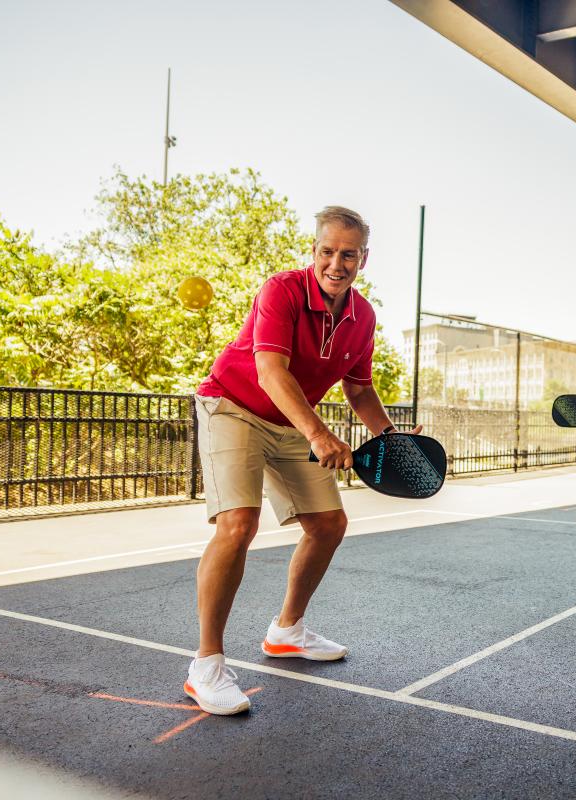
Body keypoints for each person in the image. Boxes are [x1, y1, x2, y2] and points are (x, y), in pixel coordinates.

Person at [185, 206, 420, 715]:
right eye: (328, 251)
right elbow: (270, 371)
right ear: (314, 251)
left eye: (348, 254)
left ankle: (286, 631)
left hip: (292, 421)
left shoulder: (363, 318)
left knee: (329, 524)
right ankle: (206, 665)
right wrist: (317, 432)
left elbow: (359, 389)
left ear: (363, 259)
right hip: (233, 406)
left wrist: (391, 438)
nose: (337, 262)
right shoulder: (282, 291)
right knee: (237, 525)